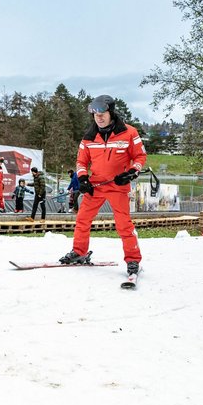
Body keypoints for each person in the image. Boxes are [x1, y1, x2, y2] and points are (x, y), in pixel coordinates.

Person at [60, 95, 146, 277]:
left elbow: (140, 157)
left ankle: (133, 260)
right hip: (95, 186)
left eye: (102, 113)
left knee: (123, 224)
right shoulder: (88, 137)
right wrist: (83, 179)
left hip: (118, 186)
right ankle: (79, 252)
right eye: (95, 114)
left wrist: (132, 172)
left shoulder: (129, 132)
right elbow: (81, 161)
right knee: (82, 219)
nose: (98, 117)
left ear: (111, 112)